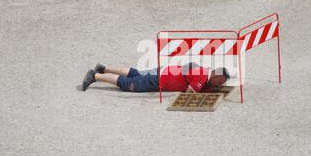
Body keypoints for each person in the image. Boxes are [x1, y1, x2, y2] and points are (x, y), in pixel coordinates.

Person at [81, 63, 230, 93]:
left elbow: (187, 67)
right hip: (160, 79)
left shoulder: (203, 68)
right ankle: (95, 76)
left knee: (136, 73)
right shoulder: (203, 77)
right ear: (216, 75)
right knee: (130, 84)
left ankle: (104, 67)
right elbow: (191, 93)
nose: (219, 84)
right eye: (220, 81)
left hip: (164, 70)